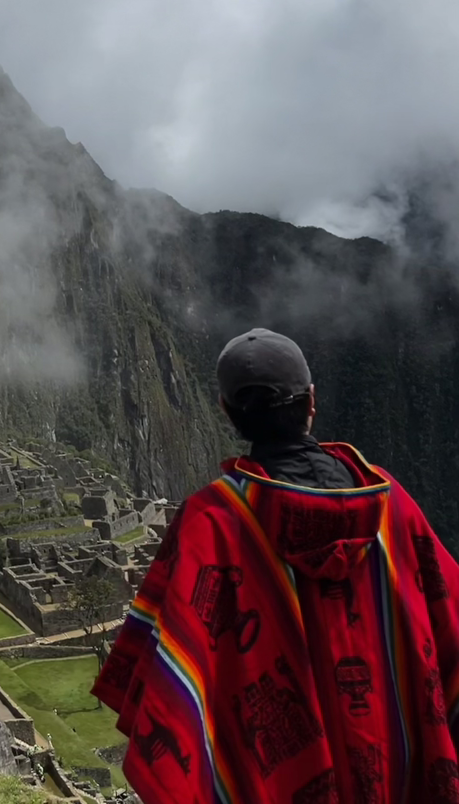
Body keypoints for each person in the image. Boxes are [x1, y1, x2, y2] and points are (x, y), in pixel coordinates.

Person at [93, 327, 459, 804]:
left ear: (227, 412)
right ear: (312, 401)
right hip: (401, 775)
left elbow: (168, 682)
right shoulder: (392, 505)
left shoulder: (212, 523)